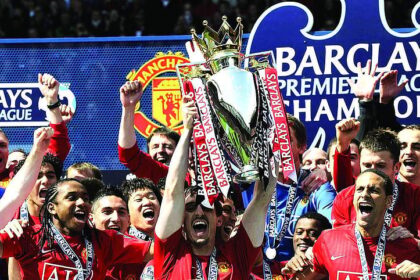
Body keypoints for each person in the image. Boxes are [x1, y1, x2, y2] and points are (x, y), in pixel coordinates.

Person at [153, 95, 278, 279]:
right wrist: (187, 129)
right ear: (180, 220)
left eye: (207, 206)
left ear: (219, 219)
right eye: (189, 207)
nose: (199, 212)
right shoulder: (169, 253)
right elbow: (173, 191)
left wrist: (268, 139)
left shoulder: (237, 253)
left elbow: (261, 200)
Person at [0, 179, 153, 279]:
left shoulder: (105, 240)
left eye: (86, 199)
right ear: (52, 208)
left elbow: (158, 250)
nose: (81, 202)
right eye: (72, 197)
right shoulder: (29, 235)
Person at [243, 114, 334, 262]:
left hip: (299, 272)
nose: (278, 150)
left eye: (285, 142)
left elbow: (333, 229)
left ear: (302, 146)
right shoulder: (250, 184)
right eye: (272, 144)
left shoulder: (316, 185)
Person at [309, 169, 420, 280]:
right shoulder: (328, 239)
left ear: (388, 201)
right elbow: (304, 276)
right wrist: (293, 264)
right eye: (360, 189)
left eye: (374, 190)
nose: (365, 194)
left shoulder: (407, 246)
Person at [332, 120, 420, 238]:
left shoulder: (415, 196)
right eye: (367, 165)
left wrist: (410, 242)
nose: (373, 172)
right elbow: (338, 245)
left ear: (396, 167)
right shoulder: (344, 198)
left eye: (380, 166)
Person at [118, 81, 184, 185]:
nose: (161, 150)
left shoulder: (193, 173)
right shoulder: (157, 172)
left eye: (168, 146)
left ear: (180, 151)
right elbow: (128, 153)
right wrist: (129, 108)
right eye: (155, 146)